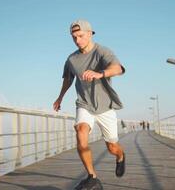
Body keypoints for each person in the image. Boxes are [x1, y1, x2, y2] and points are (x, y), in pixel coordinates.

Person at [53, 19, 126, 190]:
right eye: (74, 37)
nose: (77, 40)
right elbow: (68, 80)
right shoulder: (71, 59)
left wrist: (100, 74)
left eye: (80, 36)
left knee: (112, 147)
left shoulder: (102, 51)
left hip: (105, 107)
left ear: (90, 33)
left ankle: (121, 156)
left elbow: (118, 69)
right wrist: (60, 98)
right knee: (80, 131)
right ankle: (92, 176)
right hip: (84, 104)